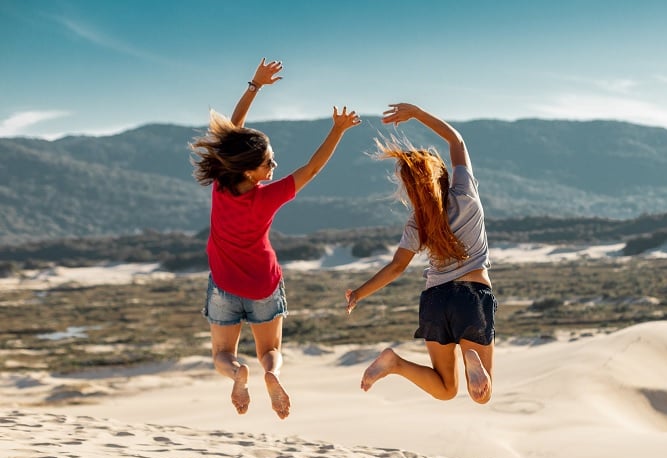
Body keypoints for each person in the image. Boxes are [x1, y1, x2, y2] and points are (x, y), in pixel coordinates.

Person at [191, 58, 361, 419]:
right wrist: (338, 131)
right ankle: (271, 374)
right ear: (251, 171)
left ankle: (238, 373)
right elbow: (313, 167)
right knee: (271, 350)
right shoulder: (268, 196)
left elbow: (231, 132)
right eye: (269, 163)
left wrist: (254, 85)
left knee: (222, 354)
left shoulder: (222, 186)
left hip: (224, 286)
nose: (274, 168)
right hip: (264, 285)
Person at [345, 103, 497, 404]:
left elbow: (397, 267)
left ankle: (395, 363)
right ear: (441, 174)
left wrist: (359, 294)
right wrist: (416, 113)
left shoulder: (417, 222)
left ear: (412, 191)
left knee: (445, 389)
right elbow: (456, 141)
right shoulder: (464, 193)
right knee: (481, 395)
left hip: (435, 301)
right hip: (473, 296)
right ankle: (471, 356)